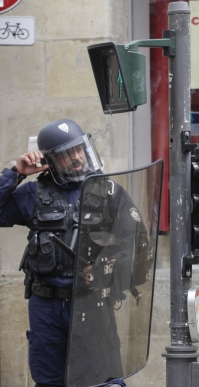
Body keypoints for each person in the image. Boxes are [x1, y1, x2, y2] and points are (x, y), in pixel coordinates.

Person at [0, 119, 141, 386]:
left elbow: (137, 243)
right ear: (50, 160)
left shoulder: (109, 192)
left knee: (105, 380)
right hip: (47, 306)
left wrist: (104, 269)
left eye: (79, 149)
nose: (76, 157)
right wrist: (16, 172)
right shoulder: (33, 193)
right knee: (50, 380)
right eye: (66, 153)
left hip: (93, 303)